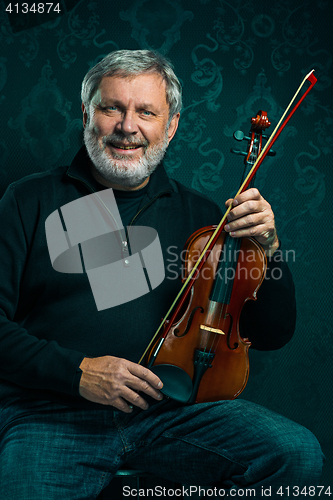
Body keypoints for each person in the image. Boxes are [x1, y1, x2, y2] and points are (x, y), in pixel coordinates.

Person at [0, 50, 324, 499]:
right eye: (112, 107)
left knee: (295, 453)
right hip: (51, 412)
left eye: (146, 112)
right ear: (87, 114)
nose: (127, 127)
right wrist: (78, 371)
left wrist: (267, 246)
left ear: (170, 126)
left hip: (168, 414)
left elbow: (272, 332)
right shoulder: (29, 199)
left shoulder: (208, 220)